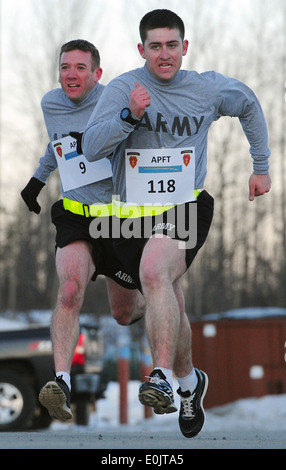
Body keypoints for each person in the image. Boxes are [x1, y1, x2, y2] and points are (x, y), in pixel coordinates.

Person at [81, 10, 271, 438]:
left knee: (154, 272)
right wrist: (128, 115)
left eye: (171, 45)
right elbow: (91, 147)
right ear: (141, 49)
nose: (164, 54)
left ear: (184, 47)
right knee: (128, 309)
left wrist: (260, 166)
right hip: (130, 214)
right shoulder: (122, 88)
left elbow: (249, 105)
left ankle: (162, 375)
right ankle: (190, 382)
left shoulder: (205, 88)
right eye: (155, 46)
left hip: (185, 203)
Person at [21, 39, 144, 422]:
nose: (71, 75)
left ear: (97, 74)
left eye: (79, 68)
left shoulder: (113, 101)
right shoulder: (50, 103)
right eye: (65, 67)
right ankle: (61, 381)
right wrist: (38, 180)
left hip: (119, 217)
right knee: (70, 289)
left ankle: (153, 290)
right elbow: (57, 144)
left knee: (124, 314)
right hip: (75, 213)